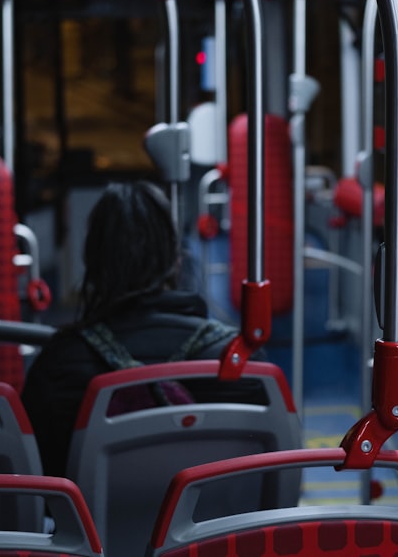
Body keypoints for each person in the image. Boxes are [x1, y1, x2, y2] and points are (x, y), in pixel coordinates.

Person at [21, 180, 263, 477]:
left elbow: (38, 478)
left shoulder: (58, 366)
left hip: (96, 524)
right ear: (175, 260)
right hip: (220, 522)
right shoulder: (239, 362)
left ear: (93, 264)